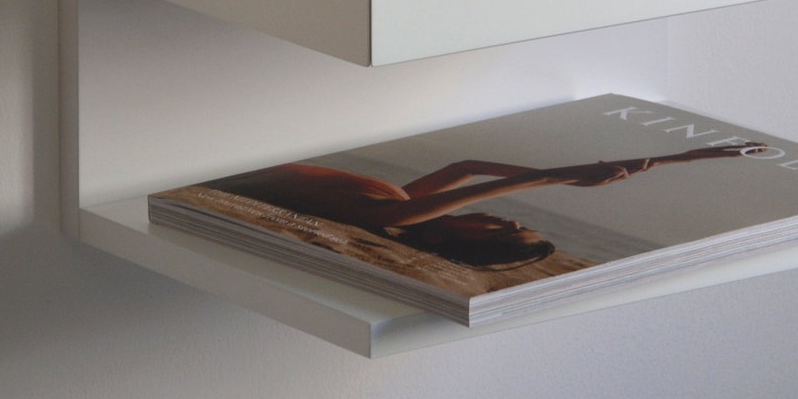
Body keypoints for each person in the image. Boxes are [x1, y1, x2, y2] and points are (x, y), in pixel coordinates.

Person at [210, 143, 763, 268]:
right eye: (517, 226)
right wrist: (676, 158)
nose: (507, 220)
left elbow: (484, 188)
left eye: (507, 231)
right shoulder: (405, 204)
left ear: (468, 238)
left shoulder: (392, 220)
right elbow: (468, 168)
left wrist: (559, 180)